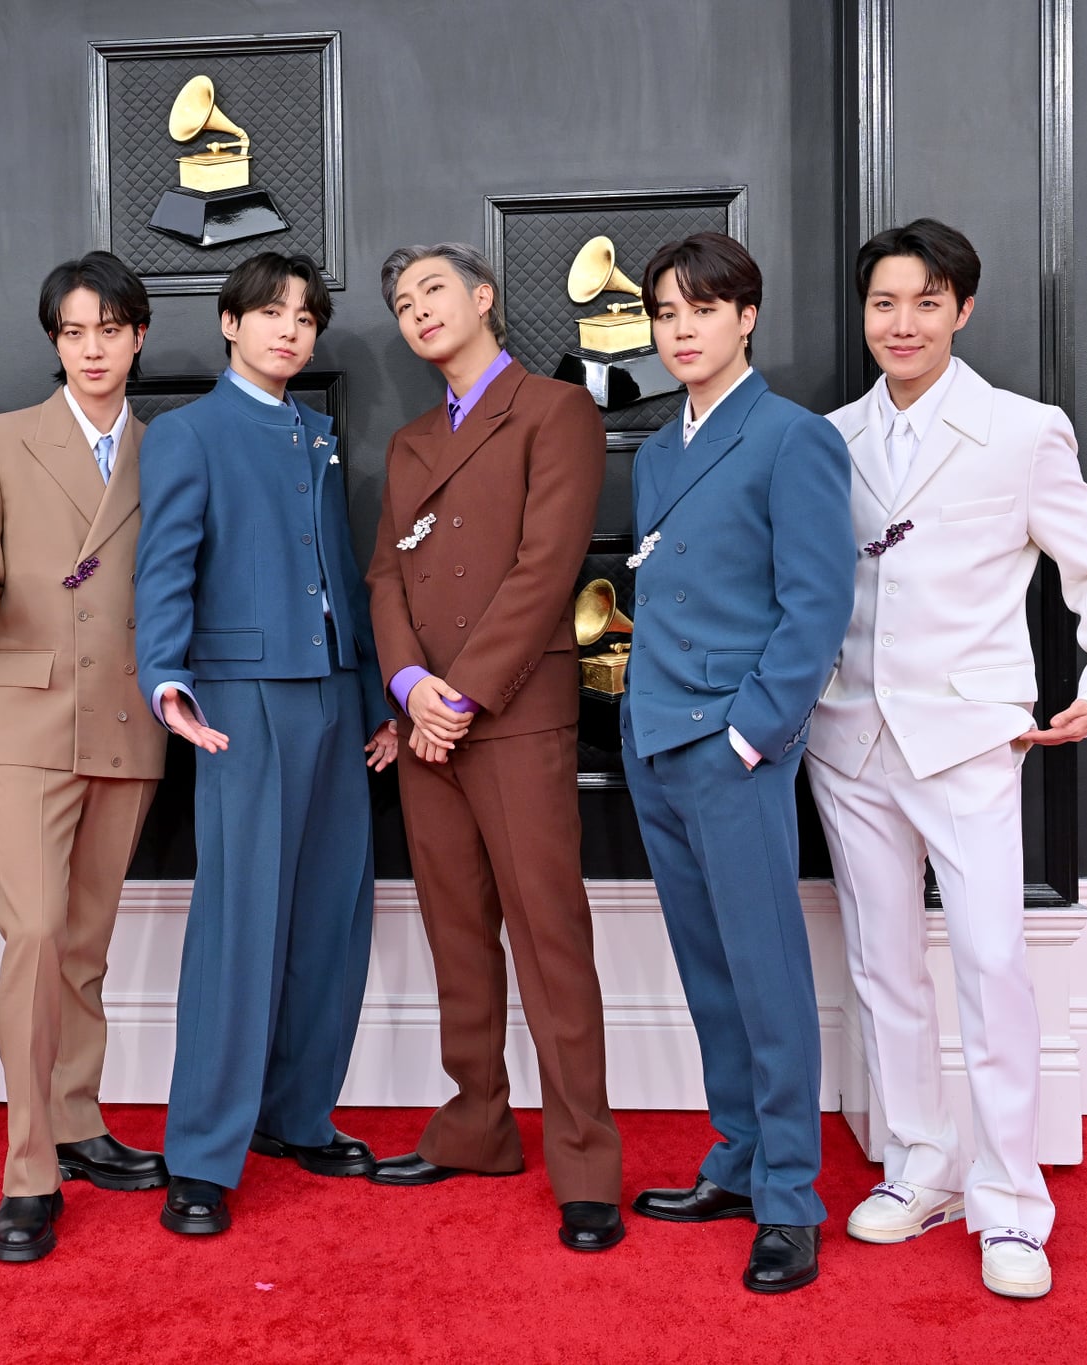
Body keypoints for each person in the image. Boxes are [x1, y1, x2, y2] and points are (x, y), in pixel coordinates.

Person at [810, 219, 1087, 1300]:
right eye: (880, 304)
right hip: (847, 735)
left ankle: (1008, 1205)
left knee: (991, 965)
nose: (899, 324)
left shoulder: (1021, 430)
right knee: (879, 965)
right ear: (861, 315)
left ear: (960, 310)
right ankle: (919, 1165)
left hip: (966, 737)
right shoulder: (827, 437)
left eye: (922, 302)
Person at [364, 242, 625, 1253]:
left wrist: (460, 692)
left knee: (548, 939)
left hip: (508, 715)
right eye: (399, 300)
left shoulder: (555, 411)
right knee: (455, 932)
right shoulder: (408, 440)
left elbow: (545, 566)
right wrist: (408, 689)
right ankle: (474, 1123)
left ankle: (585, 1164)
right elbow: (386, 577)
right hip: (426, 719)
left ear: (481, 299)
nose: (414, 309)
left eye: (431, 288)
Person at [133, 251, 400, 1236]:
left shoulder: (315, 434)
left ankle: (297, 1114)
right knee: (239, 923)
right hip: (239, 702)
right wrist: (165, 677)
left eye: (305, 316)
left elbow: (341, 574)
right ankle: (201, 1155)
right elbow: (161, 570)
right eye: (271, 313)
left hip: (334, 694)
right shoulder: (187, 434)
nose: (290, 329)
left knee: (330, 916)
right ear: (230, 323)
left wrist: (373, 694)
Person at [619, 232, 854, 1294]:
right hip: (653, 736)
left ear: (744, 317)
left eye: (700, 311)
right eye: (665, 313)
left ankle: (791, 1199)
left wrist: (752, 732)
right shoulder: (655, 451)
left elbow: (815, 605)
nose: (680, 331)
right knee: (709, 970)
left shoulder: (790, 437)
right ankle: (736, 1157)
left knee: (763, 974)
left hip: (730, 744)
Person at [0, 251, 170, 1263]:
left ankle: (75, 1120)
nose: (91, 348)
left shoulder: (172, 449)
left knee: (82, 943)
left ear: (137, 336)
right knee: (31, 937)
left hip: (128, 716)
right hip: (26, 719)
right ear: (54, 343)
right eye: (72, 333)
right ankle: (28, 1168)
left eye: (108, 330)